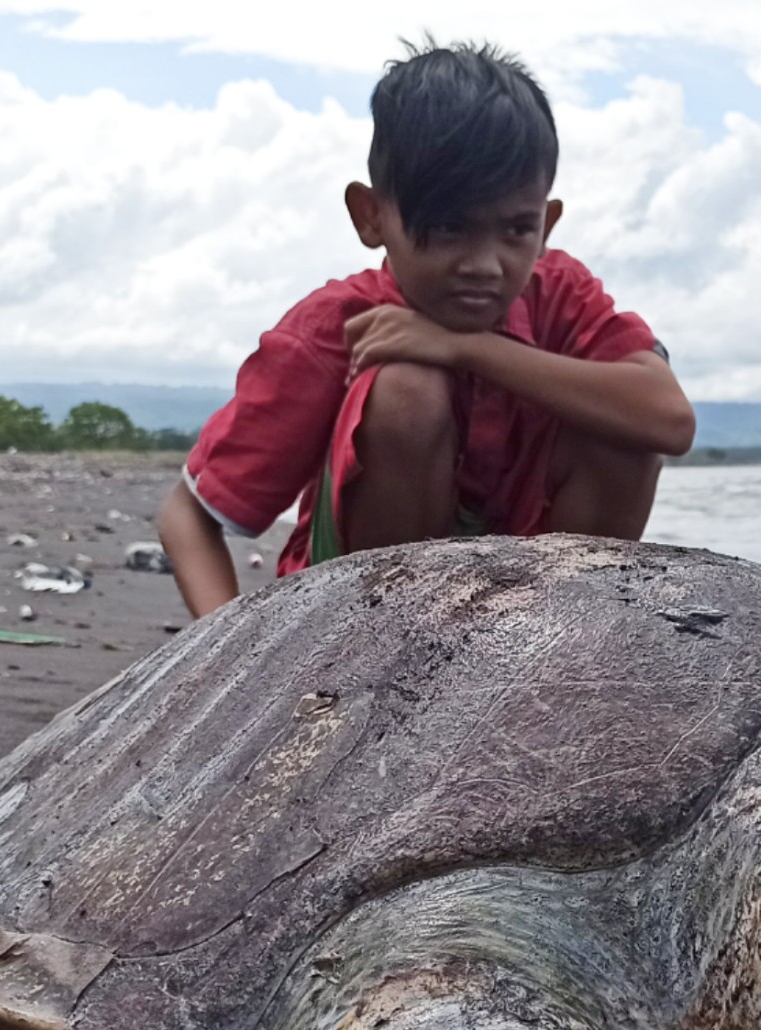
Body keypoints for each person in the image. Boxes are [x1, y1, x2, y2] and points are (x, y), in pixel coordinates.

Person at [155, 41, 693, 619]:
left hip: (524, 608)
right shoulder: (331, 328)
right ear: (372, 217)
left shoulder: (560, 294)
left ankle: (561, 634)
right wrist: (233, 657)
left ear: (547, 224)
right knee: (408, 388)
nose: (484, 265)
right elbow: (185, 517)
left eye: (516, 230)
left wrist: (465, 347)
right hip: (359, 607)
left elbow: (668, 419)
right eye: (446, 227)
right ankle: (392, 641)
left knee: (627, 431)